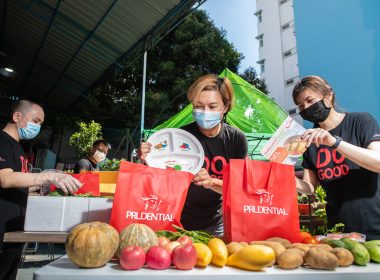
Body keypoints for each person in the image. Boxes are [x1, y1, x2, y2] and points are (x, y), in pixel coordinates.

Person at [139, 74, 248, 236]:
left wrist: (210, 182)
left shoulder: (236, 139)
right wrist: (149, 160)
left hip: (217, 223)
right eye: (198, 106)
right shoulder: (179, 137)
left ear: (225, 107)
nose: (205, 112)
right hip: (178, 220)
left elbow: (238, 188)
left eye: (212, 106)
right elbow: (162, 181)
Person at [0, 99, 82, 280]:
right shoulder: (3, 142)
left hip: (14, 233)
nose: (37, 127)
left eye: (40, 124)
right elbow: (5, 179)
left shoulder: (19, 148)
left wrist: (46, 184)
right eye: (35, 121)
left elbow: (19, 187)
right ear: (17, 116)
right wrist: (45, 176)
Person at [293, 75, 380, 240]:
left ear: (328, 96)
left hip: (375, 226)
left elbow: (378, 162)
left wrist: (334, 142)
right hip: (340, 232)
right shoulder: (309, 142)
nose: (306, 108)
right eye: (301, 106)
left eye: (310, 100)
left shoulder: (361, 122)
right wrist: (285, 177)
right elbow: (310, 187)